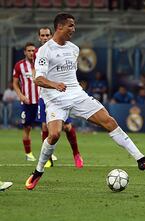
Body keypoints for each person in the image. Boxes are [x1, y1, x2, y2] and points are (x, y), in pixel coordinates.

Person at [25, 13, 145, 191]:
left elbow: (69, 75)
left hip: (76, 95)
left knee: (109, 121)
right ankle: (38, 171)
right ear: (59, 27)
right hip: (54, 100)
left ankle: (141, 160)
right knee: (54, 135)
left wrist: (70, 86)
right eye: (70, 26)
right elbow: (38, 79)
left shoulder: (74, 49)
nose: (73, 30)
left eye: (74, 26)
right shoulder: (45, 51)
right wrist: (55, 85)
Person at [37, 26, 84, 168]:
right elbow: (37, 76)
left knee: (68, 127)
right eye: (42, 35)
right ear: (39, 37)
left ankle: (76, 154)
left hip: (63, 95)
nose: (45, 38)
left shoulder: (63, 50)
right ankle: (48, 157)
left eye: (47, 35)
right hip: (45, 96)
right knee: (46, 127)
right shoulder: (38, 53)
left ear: (51, 36)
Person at [12, 42, 39, 161]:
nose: (31, 53)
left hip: (41, 101)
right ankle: (28, 154)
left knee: (46, 127)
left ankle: (48, 154)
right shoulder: (19, 66)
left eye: (33, 50)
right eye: (29, 51)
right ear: (24, 52)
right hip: (27, 102)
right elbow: (15, 82)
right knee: (27, 128)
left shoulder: (40, 64)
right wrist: (20, 95)